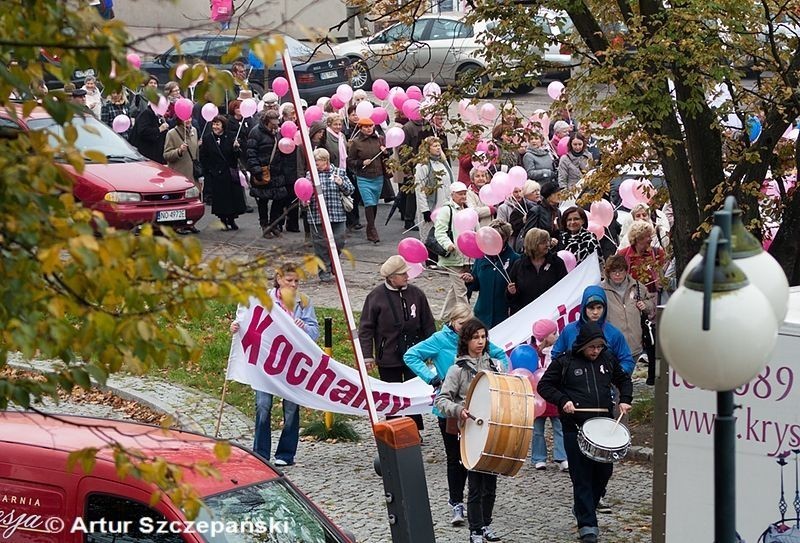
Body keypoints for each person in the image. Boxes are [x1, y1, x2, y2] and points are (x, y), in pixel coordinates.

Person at [404, 303, 509, 527]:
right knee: (456, 459)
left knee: (477, 459)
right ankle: (456, 502)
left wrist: (500, 377)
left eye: (468, 324)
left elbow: (501, 356)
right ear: (452, 322)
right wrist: (432, 378)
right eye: (461, 324)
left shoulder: (479, 342)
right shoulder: (440, 340)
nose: (465, 329)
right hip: (451, 410)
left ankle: (478, 508)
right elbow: (411, 355)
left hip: (478, 411)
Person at [537, 321, 633, 543]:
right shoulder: (565, 362)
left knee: (603, 473)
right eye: (592, 348)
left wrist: (625, 400)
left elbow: (623, 379)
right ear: (582, 345)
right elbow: (545, 386)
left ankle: (584, 506)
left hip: (603, 427)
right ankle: (588, 525)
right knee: (581, 477)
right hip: (575, 428)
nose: (596, 352)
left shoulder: (607, 360)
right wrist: (564, 400)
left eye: (599, 347)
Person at [230, 263, 319, 466]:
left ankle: (285, 454)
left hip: (292, 363)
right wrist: (237, 327)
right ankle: (261, 453)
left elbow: (314, 333)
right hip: (266, 362)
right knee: (263, 405)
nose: (294, 285)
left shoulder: (303, 302)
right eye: (289, 280)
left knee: (291, 407)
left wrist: (304, 327)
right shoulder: (263, 300)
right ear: (278, 279)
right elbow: (249, 322)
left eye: (297, 281)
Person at [435, 318, 504, 543]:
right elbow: (441, 400)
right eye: (475, 337)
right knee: (475, 484)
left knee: (490, 484)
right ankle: (475, 530)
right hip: (471, 432)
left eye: (483, 337)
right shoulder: (457, 370)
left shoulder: (494, 366)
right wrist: (458, 410)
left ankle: (486, 524)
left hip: (492, 431)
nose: (480, 342)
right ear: (466, 341)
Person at [359, 255, 436, 431]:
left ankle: (414, 430)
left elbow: (428, 323)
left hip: (414, 354)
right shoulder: (375, 297)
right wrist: (367, 356)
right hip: (388, 355)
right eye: (402, 274)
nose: (407, 276)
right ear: (391, 278)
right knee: (392, 395)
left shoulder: (417, 294)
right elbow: (366, 328)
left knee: (413, 393)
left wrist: (432, 350)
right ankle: (393, 430)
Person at [551, 286, 635, 375]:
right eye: (591, 308)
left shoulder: (613, 333)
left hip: (603, 385)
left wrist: (613, 374)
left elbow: (627, 360)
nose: (595, 312)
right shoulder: (569, 330)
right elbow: (556, 355)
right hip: (573, 384)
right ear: (584, 307)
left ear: (605, 308)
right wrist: (564, 373)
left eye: (599, 308)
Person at [601, 254, 657, 384]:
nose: (618, 275)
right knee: (615, 380)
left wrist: (646, 305)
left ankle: (621, 400)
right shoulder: (601, 289)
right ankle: (617, 401)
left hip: (634, 343)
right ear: (608, 273)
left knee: (625, 378)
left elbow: (650, 305)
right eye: (614, 272)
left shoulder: (637, 287)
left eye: (620, 271)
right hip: (612, 344)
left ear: (626, 271)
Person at [305, 148, 354, 282]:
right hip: (317, 215)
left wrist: (341, 183)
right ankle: (324, 271)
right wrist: (305, 201)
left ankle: (333, 263)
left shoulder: (339, 172)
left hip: (337, 214)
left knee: (339, 241)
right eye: (313, 160)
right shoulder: (310, 175)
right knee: (320, 245)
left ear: (325, 160)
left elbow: (350, 190)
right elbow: (304, 194)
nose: (315, 163)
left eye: (317, 160)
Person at [463, 219, 520, 327]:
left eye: (498, 238)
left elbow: (520, 289)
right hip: (482, 314)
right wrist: (471, 280)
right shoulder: (481, 258)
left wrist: (513, 291)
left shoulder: (515, 259)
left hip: (504, 316)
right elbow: (476, 285)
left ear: (505, 238)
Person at [530, 318, 568, 471]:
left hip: (555, 393)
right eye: (554, 333)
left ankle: (562, 456)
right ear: (545, 336)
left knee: (559, 426)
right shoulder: (531, 352)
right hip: (537, 397)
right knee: (537, 429)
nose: (557, 335)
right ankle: (539, 457)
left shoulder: (558, 351)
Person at [506, 228, 568, 315]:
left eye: (548, 241)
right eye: (543, 242)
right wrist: (511, 292)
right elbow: (511, 296)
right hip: (525, 315)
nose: (547, 245)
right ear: (532, 244)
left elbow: (565, 287)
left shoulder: (556, 262)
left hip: (551, 313)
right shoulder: (519, 265)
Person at [201, 115, 246, 230]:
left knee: (232, 198)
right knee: (221, 200)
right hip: (217, 173)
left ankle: (232, 220)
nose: (215, 127)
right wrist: (210, 170)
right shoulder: (208, 139)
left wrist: (236, 148)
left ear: (223, 126)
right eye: (214, 124)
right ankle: (223, 221)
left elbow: (237, 156)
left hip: (229, 172)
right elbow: (204, 156)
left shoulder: (231, 137)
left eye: (218, 124)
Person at [347, 117, 388, 243]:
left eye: (370, 126)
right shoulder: (356, 143)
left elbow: (387, 155)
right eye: (365, 127)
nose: (368, 129)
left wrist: (386, 152)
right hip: (364, 177)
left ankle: (370, 228)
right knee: (368, 203)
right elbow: (350, 161)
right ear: (361, 128)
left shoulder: (379, 139)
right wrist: (361, 162)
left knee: (374, 203)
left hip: (378, 176)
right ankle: (372, 228)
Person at [247, 109, 286, 239]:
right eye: (273, 122)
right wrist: (256, 170)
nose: (275, 124)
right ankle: (264, 225)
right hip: (263, 171)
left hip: (277, 171)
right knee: (262, 200)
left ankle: (273, 224)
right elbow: (251, 153)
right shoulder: (256, 133)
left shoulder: (278, 133)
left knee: (278, 199)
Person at [436, 182, 472, 320]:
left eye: (464, 193)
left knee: (455, 288)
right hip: (453, 256)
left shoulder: (467, 209)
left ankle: (444, 316)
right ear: (452, 195)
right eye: (460, 193)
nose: (463, 196)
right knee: (461, 289)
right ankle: (468, 318)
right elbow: (440, 232)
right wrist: (448, 245)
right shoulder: (447, 210)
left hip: (465, 256)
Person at [164, 116, 202, 233]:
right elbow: (166, 155)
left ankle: (190, 222)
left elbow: (196, 153)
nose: (188, 120)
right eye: (185, 118)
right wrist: (179, 151)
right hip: (179, 173)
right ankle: (178, 224)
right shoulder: (172, 133)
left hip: (192, 172)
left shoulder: (194, 131)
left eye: (190, 117)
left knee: (194, 198)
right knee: (181, 200)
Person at [415, 136, 454, 245]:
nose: (438, 148)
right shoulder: (423, 165)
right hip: (432, 206)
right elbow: (420, 188)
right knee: (430, 237)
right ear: (428, 148)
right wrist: (425, 210)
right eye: (435, 146)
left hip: (445, 203)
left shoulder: (443, 163)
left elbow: (450, 182)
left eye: (439, 146)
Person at [616, 220, 667, 297]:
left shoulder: (658, 253)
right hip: (629, 299)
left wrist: (661, 280)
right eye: (648, 236)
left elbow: (666, 275)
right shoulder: (623, 254)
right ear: (638, 238)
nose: (651, 239)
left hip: (653, 299)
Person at [515, 180, 562, 249]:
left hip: (554, 250)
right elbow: (529, 234)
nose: (560, 196)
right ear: (549, 196)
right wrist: (549, 240)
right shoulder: (536, 211)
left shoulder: (557, 212)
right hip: (538, 251)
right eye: (557, 194)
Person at [132, 94, 168, 164]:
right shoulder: (147, 113)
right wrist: (159, 129)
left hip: (156, 154)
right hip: (147, 153)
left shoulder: (158, 115)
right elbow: (143, 131)